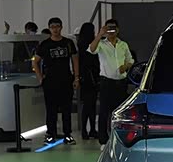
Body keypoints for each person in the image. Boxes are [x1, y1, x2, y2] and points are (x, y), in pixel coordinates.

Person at [33, 17, 79, 145]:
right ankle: (50, 134)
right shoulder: (44, 44)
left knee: (66, 109)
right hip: (50, 81)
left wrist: (76, 77)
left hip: (66, 80)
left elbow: (75, 60)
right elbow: (35, 62)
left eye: (57, 26)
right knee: (51, 109)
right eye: (52, 27)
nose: (55, 29)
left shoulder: (68, 43)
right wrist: (40, 78)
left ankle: (67, 134)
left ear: (61, 27)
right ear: (49, 28)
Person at [88, 19, 132, 147]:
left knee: (119, 112)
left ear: (117, 29)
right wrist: (100, 34)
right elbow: (91, 49)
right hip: (106, 82)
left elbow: (130, 59)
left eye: (113, 28)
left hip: (121, 83)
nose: (111, 30)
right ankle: (103, 140)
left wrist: (126, 66)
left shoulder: (123, 44)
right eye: (108, 28)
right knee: (104, 111)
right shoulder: (101, 44)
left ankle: (118, 137)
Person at [77, 23, 100, 140]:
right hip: (92, 77)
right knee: (90, 105)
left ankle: (86, 130)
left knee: (87, 105)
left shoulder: (80, 44)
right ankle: (90, 130)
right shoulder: (91, 44)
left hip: (85, 78)